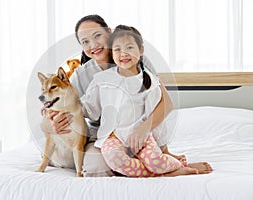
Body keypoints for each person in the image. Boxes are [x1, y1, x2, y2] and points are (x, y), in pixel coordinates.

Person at [41, 14, 212, 176]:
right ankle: (158, 170)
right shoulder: (83, 75)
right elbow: (67, 107)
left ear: (109, 32)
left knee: (149, 154)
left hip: (139, 130)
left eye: (97, 36)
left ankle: (167, 163)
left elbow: (162, 103)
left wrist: (144, 132)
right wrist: (49, 125)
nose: (93, 44)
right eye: (85, 41)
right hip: (104, 136)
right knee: (95, 169)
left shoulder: (136, 61)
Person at [82, 24, 202, 177]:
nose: (123, 54)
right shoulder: (102, 79)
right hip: (113, 136)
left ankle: (179, 165)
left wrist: (163, 149)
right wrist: (65, 108)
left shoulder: (149, 81)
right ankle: (166, 174)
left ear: (141, 50)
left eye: (129, 47)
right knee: (115, 159)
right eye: (117, 49)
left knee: (156, 162)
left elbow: (157, 114)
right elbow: (90, 109)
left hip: (141, 136)